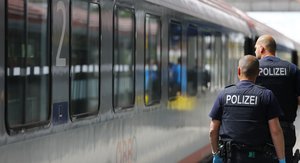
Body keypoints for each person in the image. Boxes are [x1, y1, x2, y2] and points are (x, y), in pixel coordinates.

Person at [209, 55, 285, 163]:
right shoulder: (266, 95)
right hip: (258, 158)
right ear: (258, 72)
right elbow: (276, 131)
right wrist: (282, 159)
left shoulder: (224, 94)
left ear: (239, 71)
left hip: (231, 158)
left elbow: (213, 130)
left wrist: (216, 154)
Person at [255, 34, 300, 163]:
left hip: (258, 128)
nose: (255, 51)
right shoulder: (292, 69)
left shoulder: (253, 68)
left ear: (262, 49)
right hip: (285, 128)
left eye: (256, 48)